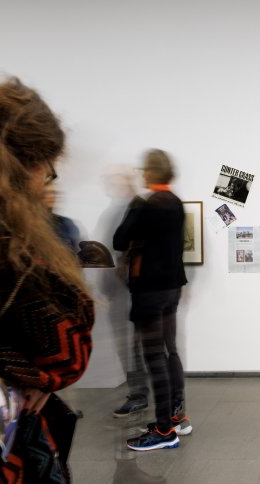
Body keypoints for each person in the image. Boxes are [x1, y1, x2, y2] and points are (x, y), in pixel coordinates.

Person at [0, 77, 94, 482]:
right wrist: (35, 373)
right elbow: (65, 349)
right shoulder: (8, 253)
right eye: (46, 172)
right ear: (25, 166)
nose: (45, 185)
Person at [114, 149, 192, 451]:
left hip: (151, 291)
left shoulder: (149, 205)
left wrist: (134, 202)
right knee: (169, 351)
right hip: (172, 287)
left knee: (154, 357)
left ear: (149, 172)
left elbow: (120, 240)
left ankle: (162, 431)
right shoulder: (174, 202)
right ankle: (175, 417)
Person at [43, 184, 81, 253]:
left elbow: (78, 251)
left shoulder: (67, 224)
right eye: (45, 193)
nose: (51, 196)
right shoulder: (30, 225)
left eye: (53, 193)